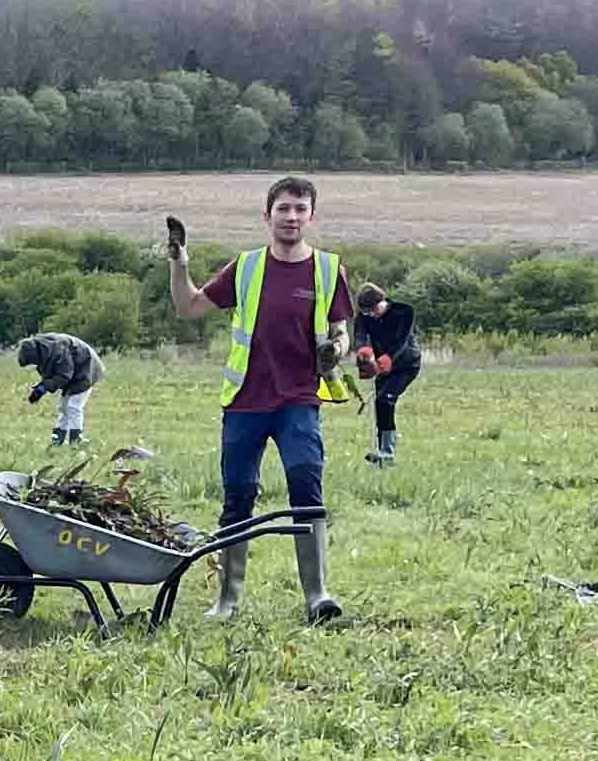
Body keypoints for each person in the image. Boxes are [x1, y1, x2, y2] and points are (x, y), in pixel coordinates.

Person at [166, 176, 352, 624]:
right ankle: (226, 602)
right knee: (238, 496)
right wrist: (179, 262)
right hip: (245, 402)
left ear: (311, 216)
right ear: (267, 215)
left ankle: (318, 597)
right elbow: (188, 308)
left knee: (306, 487)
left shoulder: (329, 270)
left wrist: (337, 349)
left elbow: (342, 332)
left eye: (300, 209)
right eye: (283, 208)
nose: (291, 216)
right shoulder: (246, 267)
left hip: (299, 401)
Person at [350, 283, 422, 466]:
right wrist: (363, 352)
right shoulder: (364, 317)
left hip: (406, 365)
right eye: (367, 312)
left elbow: (401, 341)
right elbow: (359, 335)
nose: (372, 315)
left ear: (382, 301)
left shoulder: (404, 312)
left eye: (374, 310)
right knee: (380, 404)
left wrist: (387, 358)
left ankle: (388, 454)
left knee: (385, 399)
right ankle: (382, 451)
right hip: (382, 368)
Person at [13, 327, 102, 449]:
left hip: (87, 369)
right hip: (74, 373)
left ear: (34, 356)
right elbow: (54, 374)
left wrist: (43, 387)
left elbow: (64, 376)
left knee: (73, 406)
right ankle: (57, 440)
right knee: (63, 407)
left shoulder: (58, 350)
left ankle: (76, 440)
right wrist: (40, 388)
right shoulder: (42, 349)